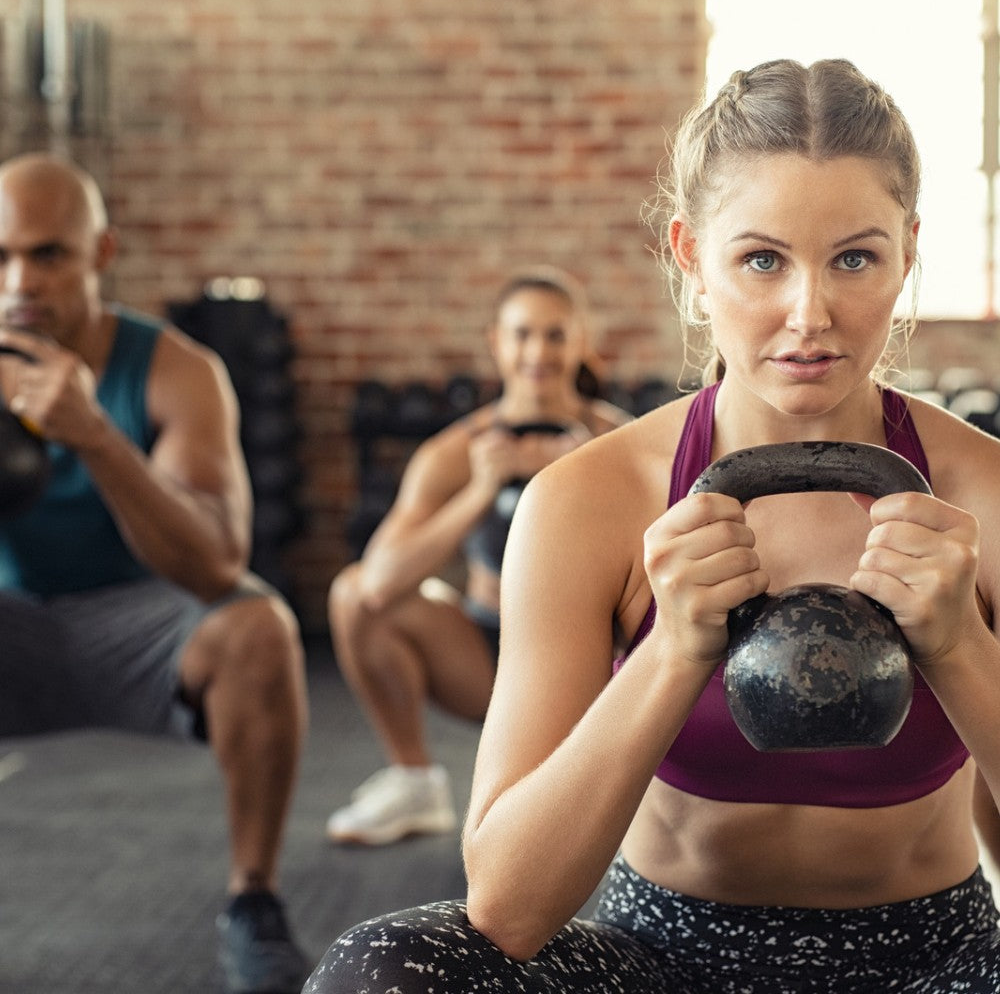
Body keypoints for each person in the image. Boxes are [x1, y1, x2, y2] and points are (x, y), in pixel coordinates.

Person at [304, 58, 1000, 993]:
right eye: (762, 260)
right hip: (660, 960)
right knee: (380, 973)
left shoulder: (980, 496)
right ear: (690, 256)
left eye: (855, 258)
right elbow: (507, 906)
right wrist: (673, 649)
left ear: (907, 253)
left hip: (934, 959)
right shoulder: (587, 501)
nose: (810, 313)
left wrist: (959, 648)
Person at [0, 153, 312, 994]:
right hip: (12, 625)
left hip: (144, 625)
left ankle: (253, 902)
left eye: (48, 253)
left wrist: (97, 436)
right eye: (0, 257)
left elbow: (216, 564)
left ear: (102, 254)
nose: (20, 279)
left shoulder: (177, 370)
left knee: (259, 626)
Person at [325, 268, 631, 846]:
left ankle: (649, 787)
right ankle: (414, 782)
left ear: (582, 341)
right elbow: (377, 583)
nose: (537, 352)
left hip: (595, 661)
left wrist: (587, 480)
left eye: (555, 335)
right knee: (349, 592)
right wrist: (479, 490)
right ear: (496, 342)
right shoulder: (454, 453)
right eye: (522, 335)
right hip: (487, 654)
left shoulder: (620, 444)